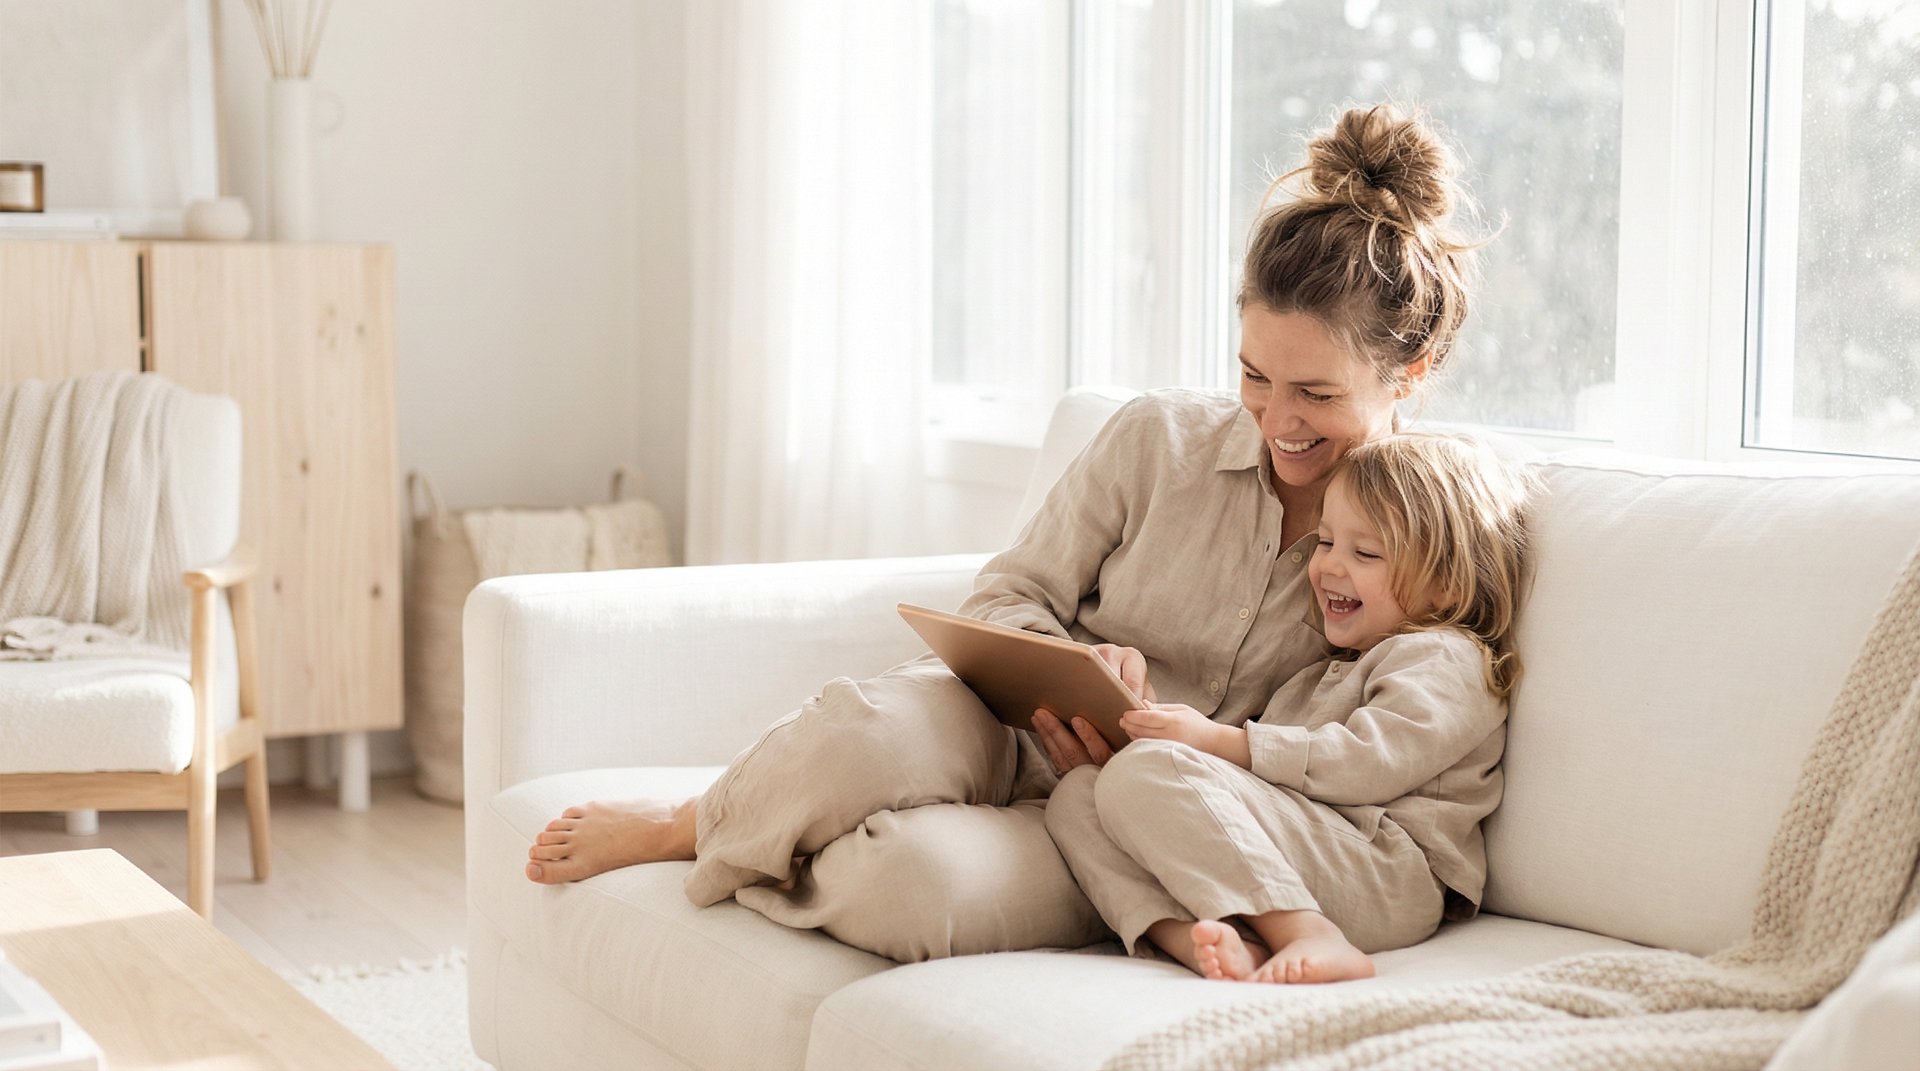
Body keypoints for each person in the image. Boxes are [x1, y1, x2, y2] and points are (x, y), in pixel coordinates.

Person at [523, 102, 1488, 965]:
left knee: (911, 887)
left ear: (1411, 372)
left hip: (1139, 820)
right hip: (1015, 726)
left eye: (1317, 393)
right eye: (1254, 376)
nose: (1276, 419)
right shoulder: (1158, 439)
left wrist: (1191, 763)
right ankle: (699, 821)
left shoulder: (1425, 533)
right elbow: (1008, 591)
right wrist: (1071, 662)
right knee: (863, 733)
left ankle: (785, 836)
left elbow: (1387, 742)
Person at [1043, 433, 1535, 984]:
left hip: (1388, 873)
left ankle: (1308, 934)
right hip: (1309, 855)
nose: (1328, 567)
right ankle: (1192, 936)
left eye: (1365, 552)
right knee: (1080, 792)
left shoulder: (1445, 656)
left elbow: (1367, 763)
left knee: (1149, 770)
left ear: (1446, 584)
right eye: (1324, 542)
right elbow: (1251, 792)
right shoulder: (1316, 676)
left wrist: (1213, 743)